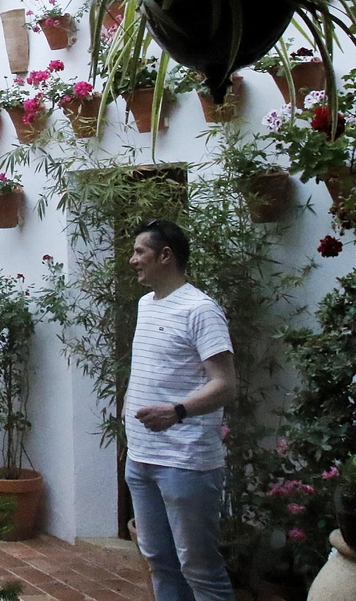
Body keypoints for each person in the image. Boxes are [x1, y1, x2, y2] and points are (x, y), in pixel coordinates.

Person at [123, 219, 239, 601]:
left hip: (185, 461)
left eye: (140, 251)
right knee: (160, 562)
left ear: (165, 256)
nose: (132, 259)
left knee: (200, 569)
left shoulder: (201, 309)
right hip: (141, 458)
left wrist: (176, 411)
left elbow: (225, 385)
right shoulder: (146, 304)